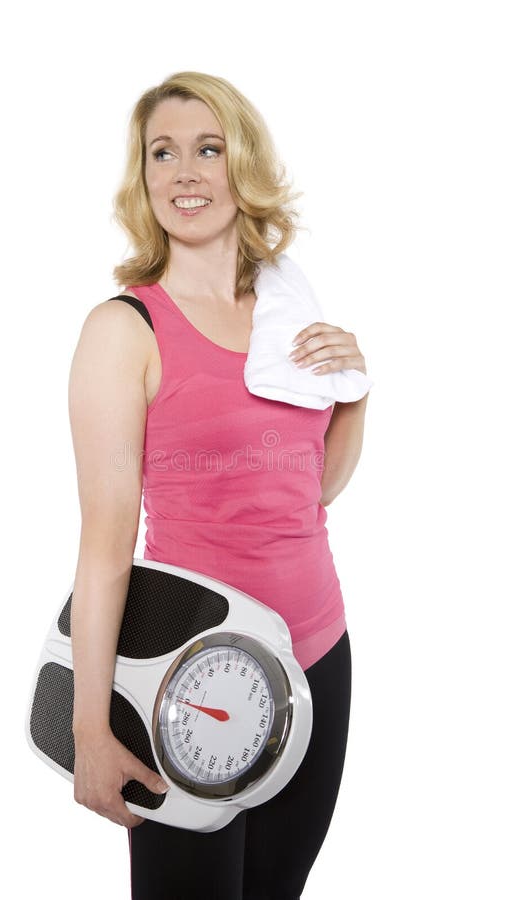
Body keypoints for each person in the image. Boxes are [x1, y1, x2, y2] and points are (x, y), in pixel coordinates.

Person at [68, 71, 369, 900]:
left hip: (318, 658)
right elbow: (104, 550)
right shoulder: (122, 331)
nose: (186, 172)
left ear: (243, 166)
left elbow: (308, 496)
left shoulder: (285, 313)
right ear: (144, 178)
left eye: (209, 149)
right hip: (188, 670)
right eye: (163, 153)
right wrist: (90, 726)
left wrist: (357, 391)